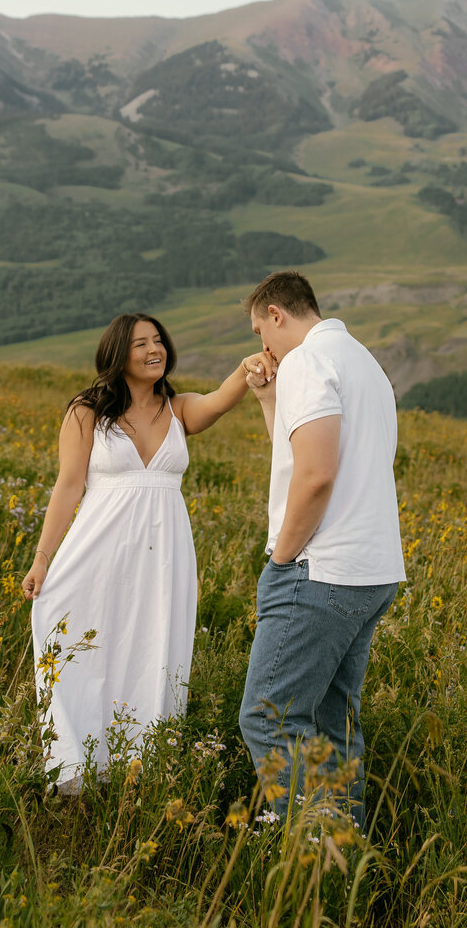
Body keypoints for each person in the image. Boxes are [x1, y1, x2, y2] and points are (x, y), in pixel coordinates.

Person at [23, 311, 262, 791]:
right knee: (86, 648)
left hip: (163, 558)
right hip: (97, 553)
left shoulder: (178, 410)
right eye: (140, 345)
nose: (155, 350)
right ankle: (78, 761)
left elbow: (219, 400)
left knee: (154, 649)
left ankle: (142, 764)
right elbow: (68, 486)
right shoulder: (86, 411)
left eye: (159, 341)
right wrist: (43, 558)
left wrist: (248, 368)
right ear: (118, 354)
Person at [238, 270, 405, 826]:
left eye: (263, 333)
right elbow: (300, 457)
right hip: (372, 571)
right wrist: (269, 398)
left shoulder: (309, 360)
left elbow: (314, 476)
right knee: (335, 721)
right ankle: (342, 847)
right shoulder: (363, 363)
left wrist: (280, 561)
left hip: (320, 569)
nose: (265, 349)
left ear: (278, 315)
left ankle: (311, 849)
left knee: (269, 718)